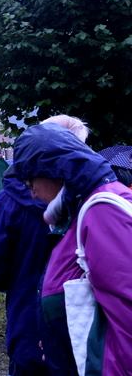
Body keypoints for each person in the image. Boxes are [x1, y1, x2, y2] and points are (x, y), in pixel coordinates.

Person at [0, 114, 89, 376]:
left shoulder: (9, 201)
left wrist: (19, 278)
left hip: (29, 319)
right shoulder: (92, 197)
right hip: (78, 327)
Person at [13, 123, 132, 375]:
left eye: (30, 180)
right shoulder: (77, 212)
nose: (31, 192)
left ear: (54, 170)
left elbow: (127, 317)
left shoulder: (102, 211)